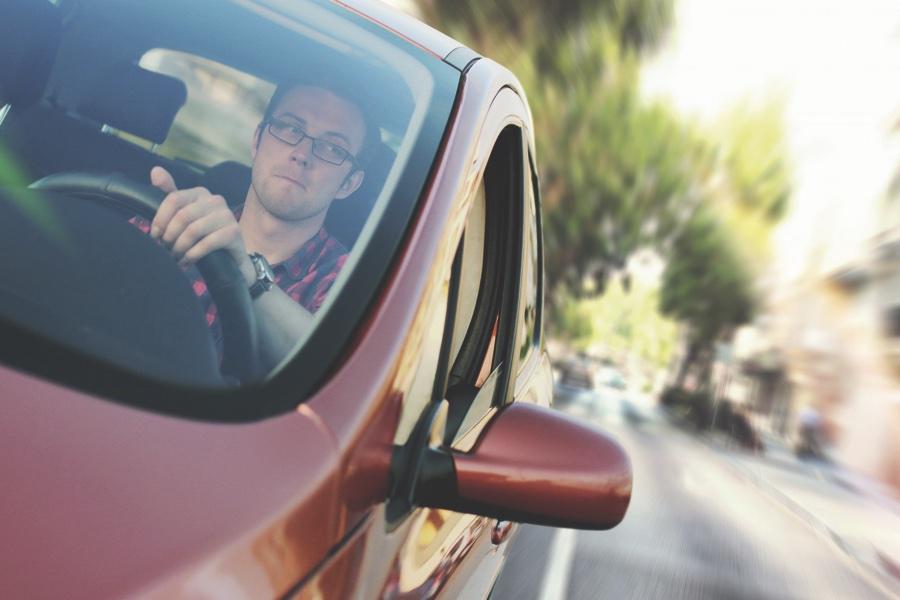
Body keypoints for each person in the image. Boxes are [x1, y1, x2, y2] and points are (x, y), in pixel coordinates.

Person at [137, 80, 372, 369]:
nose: (302, 154)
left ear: (348, 183)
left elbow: (332, 374)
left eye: (333, 148)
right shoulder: (176, 218)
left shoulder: (352, 285)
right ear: (257, 140)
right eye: (291, 129)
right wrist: (145, 252)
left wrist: (249, 275)